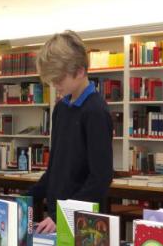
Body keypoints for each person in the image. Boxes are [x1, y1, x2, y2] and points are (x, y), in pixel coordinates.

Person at [27, 30, 113, 234]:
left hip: (84, 223)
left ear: (80, 71)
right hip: (58, 216)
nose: (55, 85)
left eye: (59, 79)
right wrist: (24, 199)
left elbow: (100, 178)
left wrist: (63, 215)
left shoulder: (95, 111)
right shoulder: (61, 109)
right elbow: (55, 170)